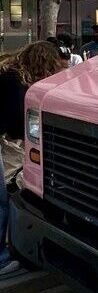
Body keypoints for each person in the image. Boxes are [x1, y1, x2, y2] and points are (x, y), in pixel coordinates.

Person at [0, 42, 66, 278]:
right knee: (1, 200)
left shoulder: (9, 73)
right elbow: (16, 124)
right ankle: (1, 260)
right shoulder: (13, 82)